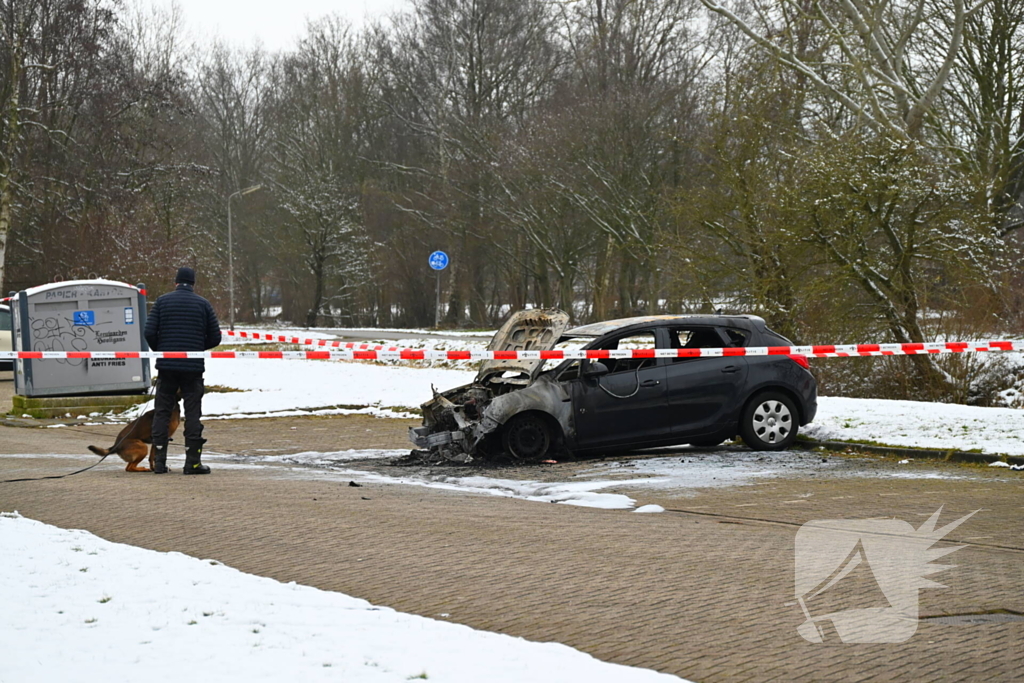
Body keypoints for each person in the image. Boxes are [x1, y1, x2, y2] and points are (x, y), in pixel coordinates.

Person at [145, 266, 222, 474]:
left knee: (162, 412)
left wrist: (162, 350)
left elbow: (149, 332)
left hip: (167, 367)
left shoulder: (162, 301)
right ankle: (192, 464)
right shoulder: (203, 304)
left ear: (176, 282)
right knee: (193, 414)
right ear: (193, 283)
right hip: (193, 368)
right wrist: (196, 348)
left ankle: (159, 463)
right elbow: (216, 337)